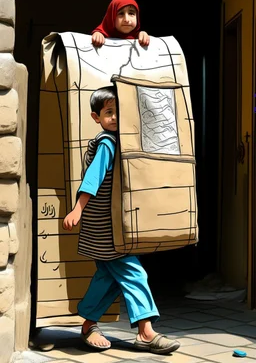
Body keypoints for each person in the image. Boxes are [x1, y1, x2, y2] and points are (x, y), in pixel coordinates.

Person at [63, 86, 180, 355]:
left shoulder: (121, 142)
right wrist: (77, 209)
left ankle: (88, 324)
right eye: (108, 112)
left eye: (119, 111)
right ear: (96, 117)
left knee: (109, 276)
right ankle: (145, 331)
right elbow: (93, 178)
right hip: (106, 228)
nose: (115, 117)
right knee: (134, 272)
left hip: (105, 226)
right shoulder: (108, 143)